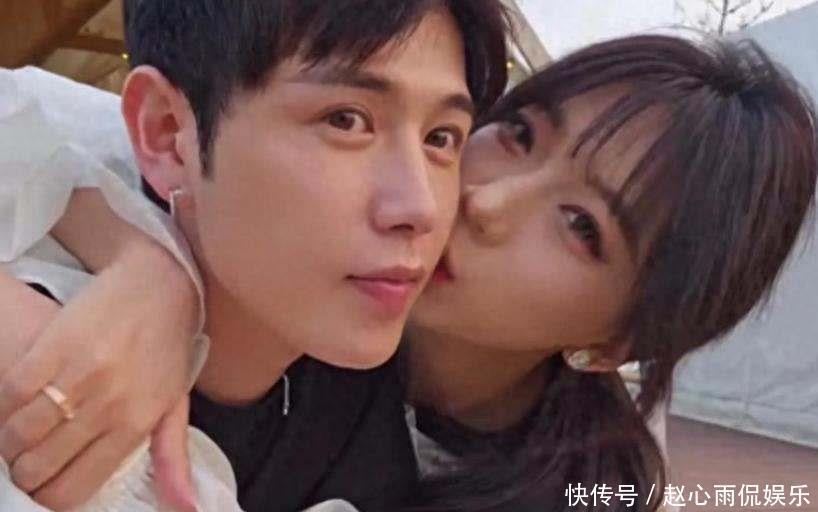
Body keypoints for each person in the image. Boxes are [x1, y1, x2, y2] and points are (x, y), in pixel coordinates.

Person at [3, 32, 816, 512]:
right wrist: (148, 266)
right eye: (519, 136)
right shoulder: (328, 244)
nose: (486, 201)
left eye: (581, 227)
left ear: (612, 347)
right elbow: (64, 129)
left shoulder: (583, 491)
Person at [0, 1, 510, 510]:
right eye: (346, 120)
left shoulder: (372, 443)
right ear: (168, 134)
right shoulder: (33, 340)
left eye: (441, 138)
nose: (420, 207)